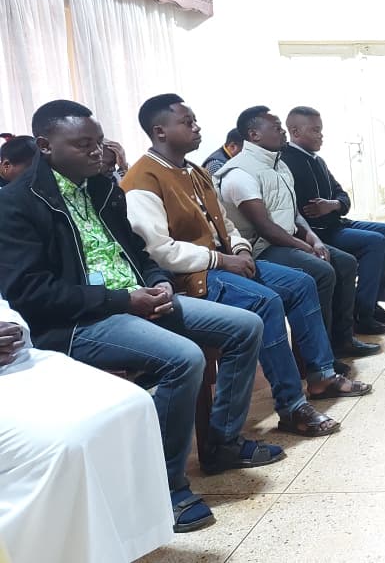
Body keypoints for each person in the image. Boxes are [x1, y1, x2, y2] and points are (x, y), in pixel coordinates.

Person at [0, 100, 283, 535]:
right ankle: (164, 488)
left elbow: (138, 251)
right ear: (45, 145)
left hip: (138, 298)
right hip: (78, 321)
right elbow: (31, 292)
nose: (97, 152)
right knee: (183, 358)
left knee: (246, 326)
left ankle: (222, 444)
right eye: (83, 144)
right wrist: (123, 300)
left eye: (98, 142)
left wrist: (160, 282)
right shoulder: (17, 204)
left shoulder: (102, 187)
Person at [123, 94, 366, 430]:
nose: (197, 127)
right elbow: (157, 250)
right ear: (159, 131)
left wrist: (239, 250)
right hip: (190, 276)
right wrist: (221, 259)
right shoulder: (141, 180)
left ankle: (322, 374)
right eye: (187, 122)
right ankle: (292, 406)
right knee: (265, 301)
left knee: (301, 283)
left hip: (224, 262)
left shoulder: (195, 172)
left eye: (195, 121)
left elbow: (226, 223)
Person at [0, 294, 174, 562]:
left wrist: (11, 328)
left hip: (15, 361)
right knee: (65, 442)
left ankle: (121, 546)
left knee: (133, 403)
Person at [216, 106, 382, 356]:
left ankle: (342, 339)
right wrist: (304, 246)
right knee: (322, 271)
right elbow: (265, 227)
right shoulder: (239, 173)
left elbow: (293, 213)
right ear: (254, 135)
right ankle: (316, 353)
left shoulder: (279, 165)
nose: (283, 132)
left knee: (345, 263)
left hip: (284, 241)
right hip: (259, 248)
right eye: (276, 128)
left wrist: (314, 239)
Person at [283, 106, 385, 327]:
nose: (321, 135)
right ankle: (362, 314)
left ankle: (372, 303)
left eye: (321, 130)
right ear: (295, 132)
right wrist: (329, 211)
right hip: (319, 232)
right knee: (375, 241)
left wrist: (332, 205)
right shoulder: (286, 163)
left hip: (336, 222)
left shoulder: (318, 160)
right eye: (315, 130)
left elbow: (343, 196)